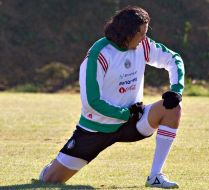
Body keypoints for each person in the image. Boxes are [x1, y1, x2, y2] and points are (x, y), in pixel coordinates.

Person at [39, 6, 184, 189]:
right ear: (127, 32)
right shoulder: (99, 55)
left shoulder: (143, 45)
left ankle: (155, 176)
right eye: (141, 34)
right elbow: (92, 102)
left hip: (133, 122)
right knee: (49, 182)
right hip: (96, 129)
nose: (144, 39)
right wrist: (125, 113)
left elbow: (174, 59)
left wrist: (176, 90)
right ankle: (51, 169)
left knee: (173, 108)